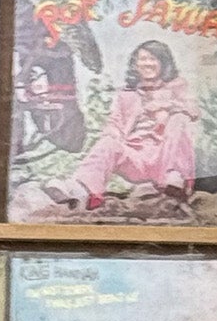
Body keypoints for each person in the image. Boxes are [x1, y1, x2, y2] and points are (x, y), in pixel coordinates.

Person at [51, 39, 200, 210]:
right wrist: (112, 137)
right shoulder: (126, 95)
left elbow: (193, 110)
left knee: (179, 120)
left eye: (153, 59)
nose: (147, 63)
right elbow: (114, 123)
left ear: (163, 63)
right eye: (142, 59)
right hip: (135, 156)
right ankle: (81, 189)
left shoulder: (176, 87)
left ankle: (174, 177)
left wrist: (166, 106)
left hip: (164, 156)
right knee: (108, 143)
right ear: (135, 65)